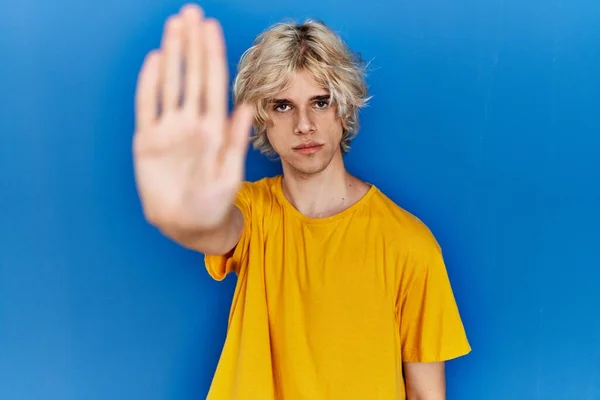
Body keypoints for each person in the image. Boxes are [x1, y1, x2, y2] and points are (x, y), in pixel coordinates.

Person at [132, 3, 471, 399]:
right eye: (283, 105)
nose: (304, 124)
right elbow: (215, 228)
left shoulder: (410, 245)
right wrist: (183, 214)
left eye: (320, 101)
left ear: (344, 109)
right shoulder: (251, 211)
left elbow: (428, 394)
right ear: (262, 119)